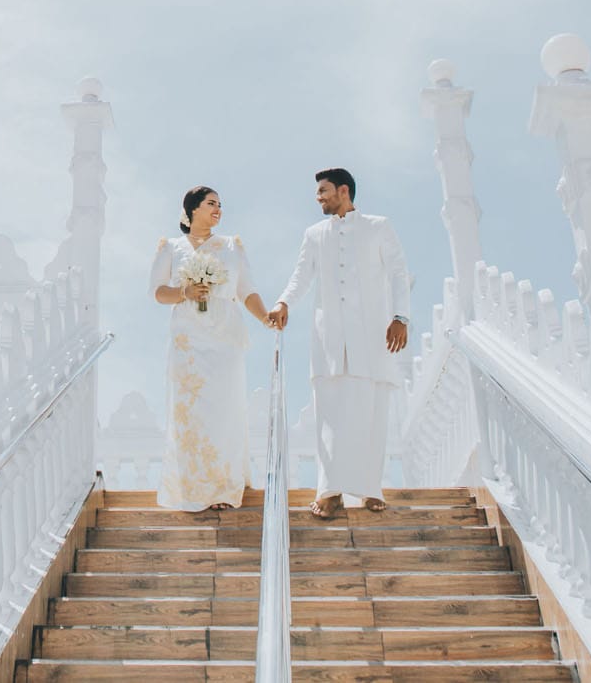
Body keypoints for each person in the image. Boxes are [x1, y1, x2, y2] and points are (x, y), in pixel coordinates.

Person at [267, 167, 410, 519]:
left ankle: (370, 489)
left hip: (373, 334)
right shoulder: (315, 234)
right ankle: (330, 491)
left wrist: (400, 317)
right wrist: (284, 302)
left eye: (323, 191)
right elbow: (301, 276)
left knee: (372, 412)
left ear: (343, 191)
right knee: (329, 415)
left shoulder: (378, 226)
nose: (318, 197)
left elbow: (398, 272)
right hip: (328, 336)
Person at [149, 185, 274, 512]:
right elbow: (157, 291)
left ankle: (223, 487)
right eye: (211, 203)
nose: (218, 209)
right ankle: (193, 489)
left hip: (224, 336)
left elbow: (247, 290)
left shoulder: (232, 246)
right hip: (187, 339)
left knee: (225, 407)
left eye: (220, 204)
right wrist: (185, 293)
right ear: (192, 209)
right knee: (190, 409)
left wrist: (265, 317)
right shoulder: (171, 248)